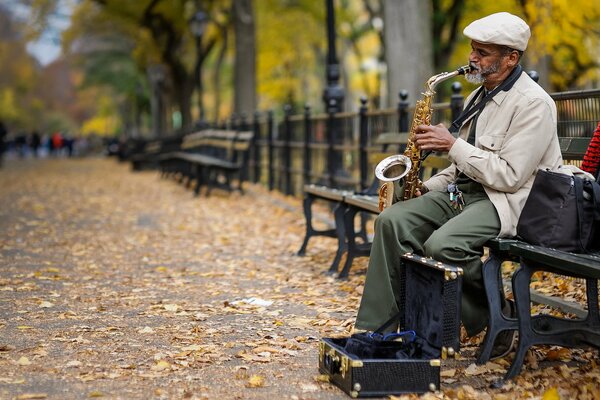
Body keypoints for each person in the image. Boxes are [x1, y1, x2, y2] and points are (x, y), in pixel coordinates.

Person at [353, 12, 563, 359]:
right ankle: (381, 331)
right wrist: (429, 187)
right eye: (472, 50)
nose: (472, 58)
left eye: (483, 52)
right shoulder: (478, 97)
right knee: (392, 221)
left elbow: (509, 176)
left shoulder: (534, 104)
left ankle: (497, 314)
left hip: (506, 201)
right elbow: (458, 169)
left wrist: (452, 144)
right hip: (465, 192)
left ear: (511, 58)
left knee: (444, 245)